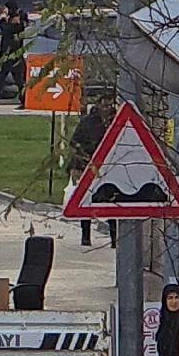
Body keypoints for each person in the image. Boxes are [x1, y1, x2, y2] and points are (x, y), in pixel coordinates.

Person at [68, 99, 116, 248]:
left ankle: (115, 237)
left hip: (110, 168)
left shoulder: (115, 122)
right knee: (86, 200)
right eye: (104, 104)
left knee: (112, 202)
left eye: (109, 105)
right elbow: (75, 142)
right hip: (88, 167)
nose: (106, 108)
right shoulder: (87, 122)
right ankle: (85, 236)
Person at [0, 0, 29, 106]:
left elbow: (7, 30)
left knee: (1, 78)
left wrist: (3, 20)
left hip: (12, 53)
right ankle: (25, 100)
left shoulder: (18, 20)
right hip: (11, 53)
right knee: (19, 80)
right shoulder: (14, 19)